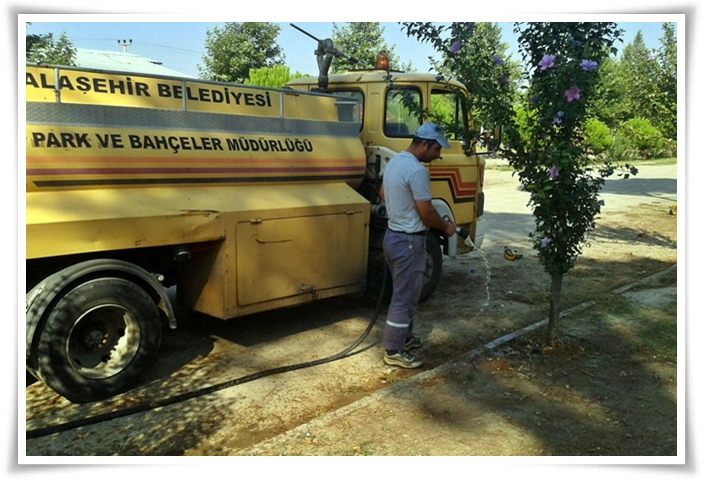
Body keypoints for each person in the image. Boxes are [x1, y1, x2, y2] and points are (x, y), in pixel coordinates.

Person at [379, 122, 456, 369]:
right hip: (409, 242)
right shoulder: (417, 171)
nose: (438, 154)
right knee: (404, 298)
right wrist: (446, 227)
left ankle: (405, 338)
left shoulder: (395, 163)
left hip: (393, 237)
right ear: (423, 144)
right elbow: (426, 212)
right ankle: (393, 350)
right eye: (436, 149)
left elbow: (382, 193)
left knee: (408, 294)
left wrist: (402, 207)